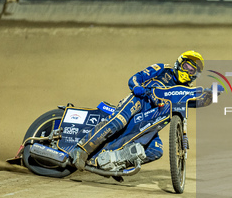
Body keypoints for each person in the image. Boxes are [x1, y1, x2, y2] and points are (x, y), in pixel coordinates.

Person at [69, 50, 206, 171]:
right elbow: (136, 77)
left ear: (195, 75)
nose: (187, 71)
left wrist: (214, 96)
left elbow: (196, 103)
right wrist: (136, 87)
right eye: (186, 66)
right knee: (118, 122)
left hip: (151, 121)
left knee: (156, 150)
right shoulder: (163, 69)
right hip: (139, 101)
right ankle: (81, 149)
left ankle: (114, 162)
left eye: (192, 70)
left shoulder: (185, 92)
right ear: (179, 63)